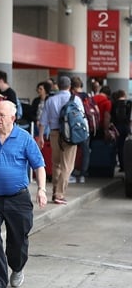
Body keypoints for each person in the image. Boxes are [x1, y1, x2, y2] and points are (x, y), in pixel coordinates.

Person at [0, 100, 47, 288]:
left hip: (18, 198)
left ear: (13, 117)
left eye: (1, 115)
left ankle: (17, 267)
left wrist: (42, 189)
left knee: (17, 241)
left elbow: (39, 166)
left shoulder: (24, 138)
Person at [37, 76, 84, 205]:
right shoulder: (76, 100)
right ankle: (59, 194)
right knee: (67, 165)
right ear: (70, 86)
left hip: (54, 134)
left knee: (56, 163)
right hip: (70, 135)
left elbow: (43, 121)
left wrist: (41, 137)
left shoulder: (50, 100)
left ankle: (54, 192)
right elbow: (81, 118)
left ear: (57, 85)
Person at [70, 76, 90, 184]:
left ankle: (72, 173)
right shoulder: (87, 97)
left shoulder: (73, 97)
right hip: (85, 127)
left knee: (72, 151)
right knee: (85, 151)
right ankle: (82, 175)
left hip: (73, 128)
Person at [110, 90, 131, 172]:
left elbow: (112, 117)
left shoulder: (114, 104)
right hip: (126, 127)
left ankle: (122, 166)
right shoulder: (129, 103)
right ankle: (127, 166)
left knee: (120, 147)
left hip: (117, 128)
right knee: (128, 147)